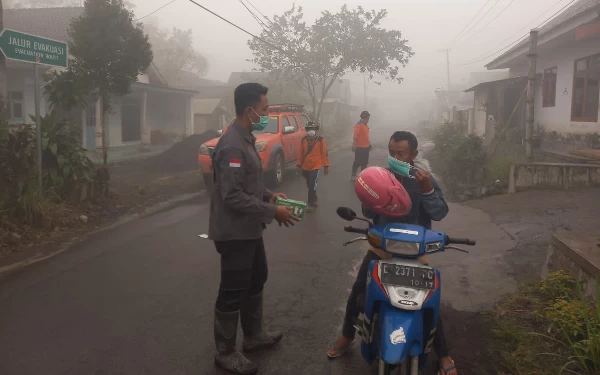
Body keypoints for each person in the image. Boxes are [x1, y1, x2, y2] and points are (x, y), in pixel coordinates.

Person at [328, 131, 457, 375]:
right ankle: (347, 335)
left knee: (429, 303)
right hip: (382, 249)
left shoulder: (424, 179)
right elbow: (368, 212)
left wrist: (427, 190)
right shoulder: (381, 176)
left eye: (401, 153)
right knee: (358, 292)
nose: (395, 157)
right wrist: (374, 196)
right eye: (391, 152)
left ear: (414, 155)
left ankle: (443, 353)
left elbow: (439, 212)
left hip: (415, 253)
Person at [209, 82, 300, 374]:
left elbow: (250, 185)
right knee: (233, 290)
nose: (265, 113)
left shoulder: (246, 137)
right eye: (263, 109)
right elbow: (232, 195)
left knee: (257, 277)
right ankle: (225, 352)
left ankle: (253, 337)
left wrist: (270, 196)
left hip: (249, 228)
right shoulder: (232, 144)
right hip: (234, 232)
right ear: (250, 110)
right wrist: (273, 211)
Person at [296, 121, 330, 212]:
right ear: (306, 130)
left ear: (316, 130)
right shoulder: (303, 140)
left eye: (312, 129)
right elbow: (300, 153)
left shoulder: (320, 140)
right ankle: (314, 197)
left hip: (316, 165)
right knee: (309, 184)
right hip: (306, 166)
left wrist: (326, 166)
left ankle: (311, 204)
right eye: (309, 129)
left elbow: (324, 153)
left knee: (312, 185)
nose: (311, 131)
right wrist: (298, 165)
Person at [351, 111, 371, 181]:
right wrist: (354, 145)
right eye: (367, 119)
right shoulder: (358, 125)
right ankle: (353, 175)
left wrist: (369, 144)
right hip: (359, 147)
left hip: (366, 147)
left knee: (364, 163)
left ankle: (363, 177)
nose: (368, 120)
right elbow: (355, 136)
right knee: (357, 162)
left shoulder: (365, 125)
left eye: (368, 118)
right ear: (363, 118)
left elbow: (365, 136)